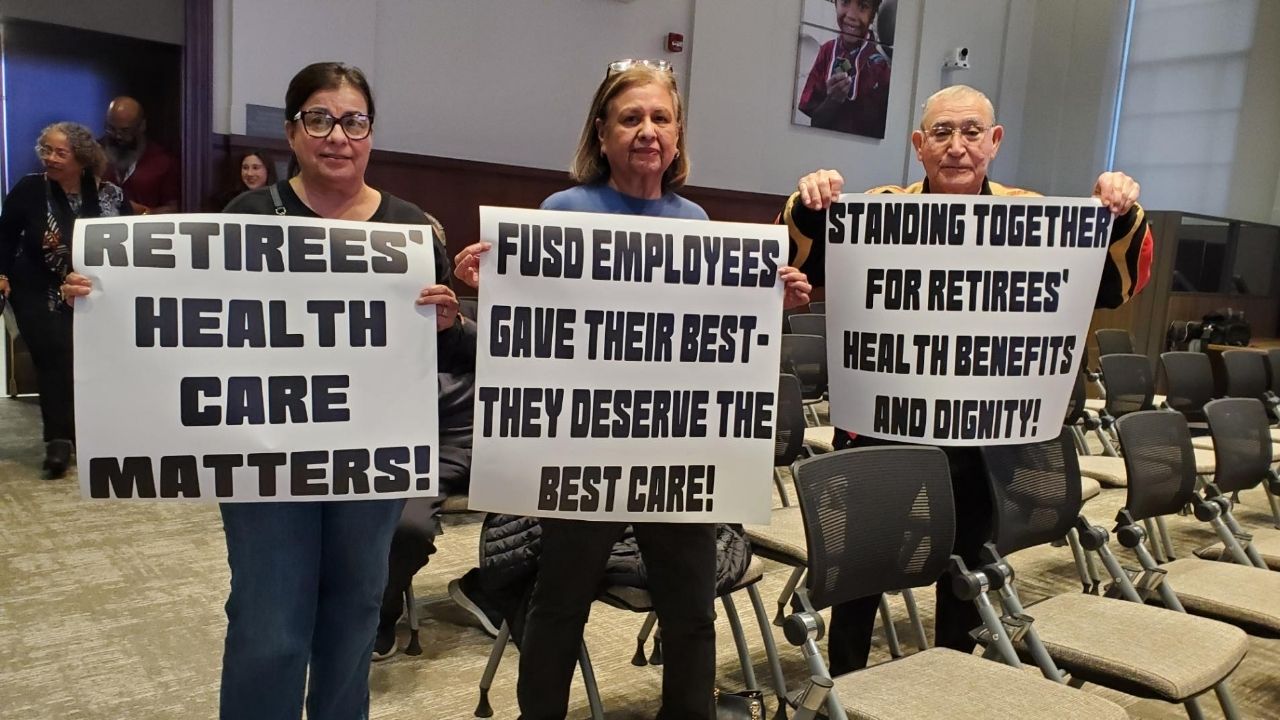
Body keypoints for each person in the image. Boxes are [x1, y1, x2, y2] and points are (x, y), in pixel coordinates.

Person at [64, 62, 471, 720]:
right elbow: (183, 319)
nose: (337, 134)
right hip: (265, 458)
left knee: (353, 619)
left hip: (370, 464)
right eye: (319, 118)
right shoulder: (249, 215)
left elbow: (444, 351)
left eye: (353, 121)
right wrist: (103, 300)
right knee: (271, 627)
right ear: (291, 132)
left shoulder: (411, 233)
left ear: (371, 134)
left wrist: (448, 319)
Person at [454, 59, 812, 720]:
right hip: (584, 446)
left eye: (660, 118)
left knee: (689, 612)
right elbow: (542, 327)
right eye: (631, 118)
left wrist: (773, 302)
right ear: (602, 129)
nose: (647, 131)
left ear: (677, 134)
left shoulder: (697, 220)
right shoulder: (565, 211)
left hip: (673, 449)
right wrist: (495, 288)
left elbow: (714, 338)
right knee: (558, 607)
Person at [781, 84, 1153, 675]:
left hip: (985, 437)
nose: (957, 147)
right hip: (886, 430)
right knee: (863, 572)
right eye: (941, 133)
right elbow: (798, 266)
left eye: (971, 132)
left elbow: (1114, 289)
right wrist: (810, 201)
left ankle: (955, 680)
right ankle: (843, 691)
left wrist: (1120, 212)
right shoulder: (878, 210)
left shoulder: (1031, 216)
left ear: (995, 141)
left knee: (968, 574)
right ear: (918, 146)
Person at [374, 214, 480, 661]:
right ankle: (377, 609)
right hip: (399, 447)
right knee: (401, 526)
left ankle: (493, 592)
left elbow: (522, 348)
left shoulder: (466, 312)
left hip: (474, 445)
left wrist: (455, 323)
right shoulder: (367, 311)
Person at [0, 122, 130, 478]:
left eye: (60, 152)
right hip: (38, 287)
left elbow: (132, 243)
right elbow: (5, 236)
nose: (50, 158)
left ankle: (89, 432)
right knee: (54, 352)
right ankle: (58, 440)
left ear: (83, 158)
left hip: (93, 292)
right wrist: (1, 274)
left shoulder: (111, 196)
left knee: (91, 360)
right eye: (46, 150)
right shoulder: (30, 188)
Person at [797, 0, 891, 138]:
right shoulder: (827, 52)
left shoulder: (882, 68)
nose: (851, 15)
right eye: (845, 2)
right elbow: (816, 123)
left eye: (863, 6)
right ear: (835, 4)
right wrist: (832, 100)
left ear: (872, 15)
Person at [101, 96, 180, 214]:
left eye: (125, 130)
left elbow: (174, 209)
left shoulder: (163, 160)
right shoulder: (92, 155)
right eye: (112, 129)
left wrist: (144, 213)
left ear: (142, 126)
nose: (117, 136)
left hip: (145, 229)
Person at [210, 149, 278, 210]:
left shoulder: (279, 200)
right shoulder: (226, 201)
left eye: (255, 168)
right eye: (245, 168)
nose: (249, 173)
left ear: (268, 170)